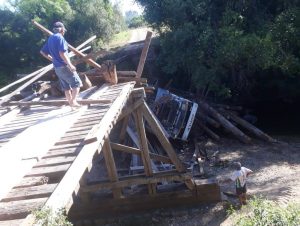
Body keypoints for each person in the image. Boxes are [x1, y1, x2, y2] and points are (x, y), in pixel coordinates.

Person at [40, 21, 82, 108]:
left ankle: (71, 104)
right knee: (77, 83)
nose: (64, 32)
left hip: (57, 67)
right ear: (61, 29)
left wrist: (52, 59)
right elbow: (62, 53)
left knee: (66, 87)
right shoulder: (60, 38)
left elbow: (42, 52)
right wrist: (70, 65)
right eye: (64, 30)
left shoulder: (50, 38)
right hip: (64, 66)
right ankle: (73, 101)